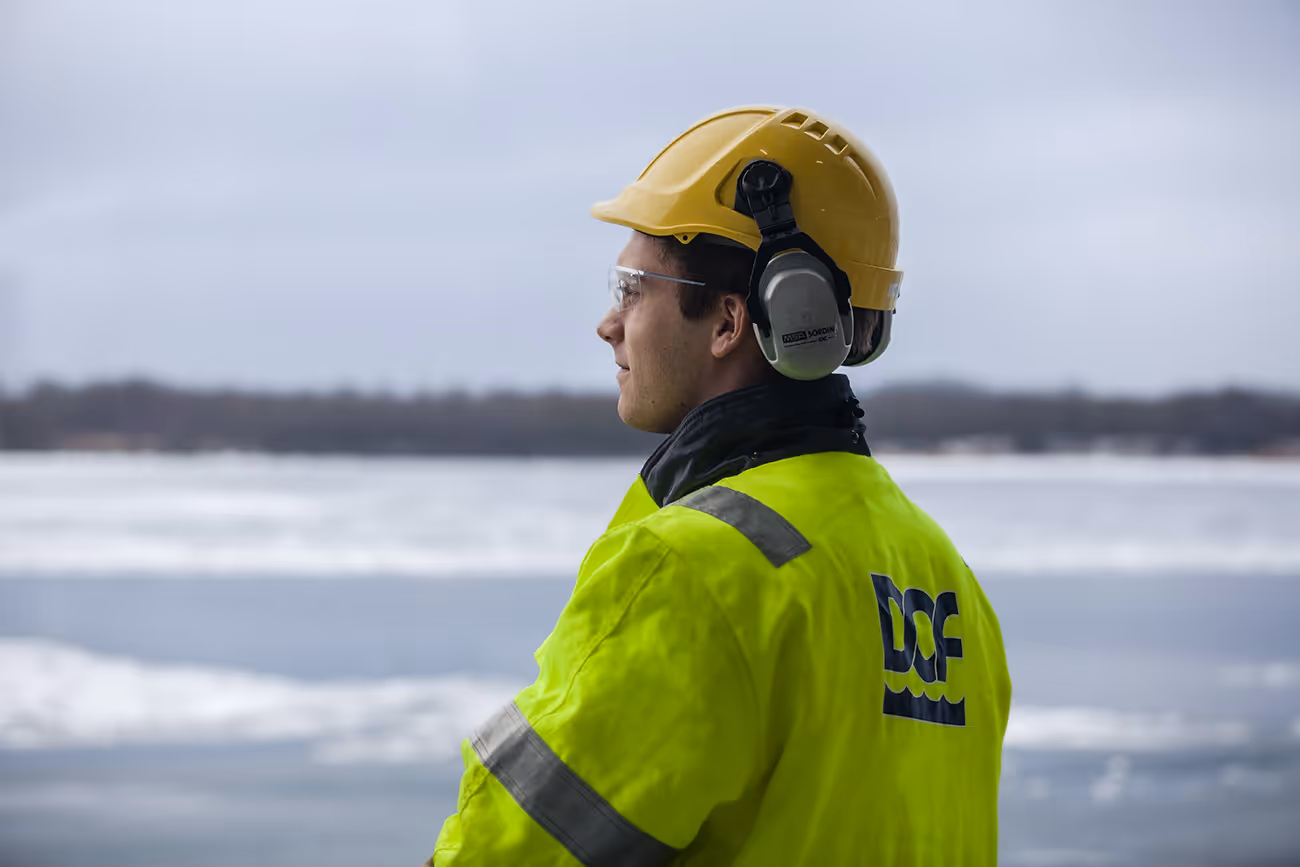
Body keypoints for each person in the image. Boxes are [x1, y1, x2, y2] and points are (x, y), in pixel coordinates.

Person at [428, 105, 1012, 866]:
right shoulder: (944, 579)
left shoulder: (697, 570)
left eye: (633, 287)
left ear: (731, 320)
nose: (609, 322)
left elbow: (503, 854)